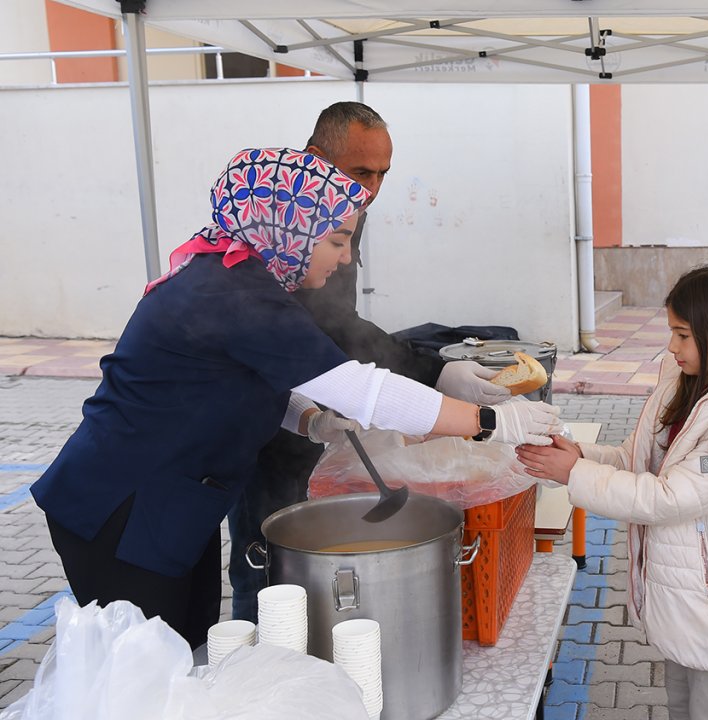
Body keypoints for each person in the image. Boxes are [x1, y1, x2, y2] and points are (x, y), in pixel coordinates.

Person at [32, 148, 561, 649]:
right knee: (144, 667)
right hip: (119, 507)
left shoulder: (241, 276)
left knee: (187, 646)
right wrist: (489, 421)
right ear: (289, 225)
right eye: (336, 239)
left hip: (170, 503)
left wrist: (310, 422)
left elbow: (241, 379)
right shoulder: (231, 290)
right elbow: (358, 387)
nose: (346, 256)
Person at [227, 102, 513, 622]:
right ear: (315, 159)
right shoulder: (272, 238)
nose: (373, 188)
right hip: (251, 439)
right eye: (362, 172)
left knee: (311, 559)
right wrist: (473, 410)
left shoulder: (342, 211)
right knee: (265, 560)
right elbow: (322, 340)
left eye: (383, 174)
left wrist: (312, 420)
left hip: (298, 411)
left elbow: (340, 323)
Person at [516, 265, 708, 720]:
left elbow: (668, 497)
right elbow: (637, 458)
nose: (672, 346)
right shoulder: (684, 382)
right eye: (671, 332)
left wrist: (575, 474)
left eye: (683, 335)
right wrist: (580, 453)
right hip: (683, 602)